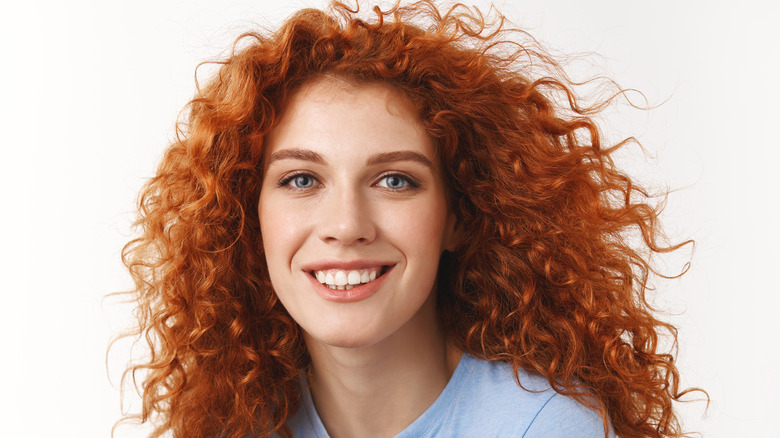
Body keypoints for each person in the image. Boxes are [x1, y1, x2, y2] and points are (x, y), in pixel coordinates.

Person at [118, 1, 705, 437]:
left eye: (395, 180)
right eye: (302, 180)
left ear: (459, 216)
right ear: (252, 217)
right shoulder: (236, 418)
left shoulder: (545, 427)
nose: (346, 225)